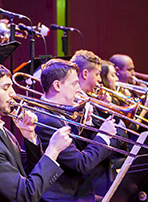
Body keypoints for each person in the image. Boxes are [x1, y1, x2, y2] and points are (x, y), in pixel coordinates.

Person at [0, 60, 72, 202]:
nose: (13, 94)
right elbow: (25, 195)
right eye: (6, 88)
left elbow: (27, 172)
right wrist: (53, 150)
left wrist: (30, 136)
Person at [35, 58, 118, 201]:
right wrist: (104, 136)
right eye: (74, 84)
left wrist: (86, 122)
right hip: (64, 197)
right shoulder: (47, 119)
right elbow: (80, 164)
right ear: (57, 86)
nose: (78, 89)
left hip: (78, 192)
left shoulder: (59, 112)